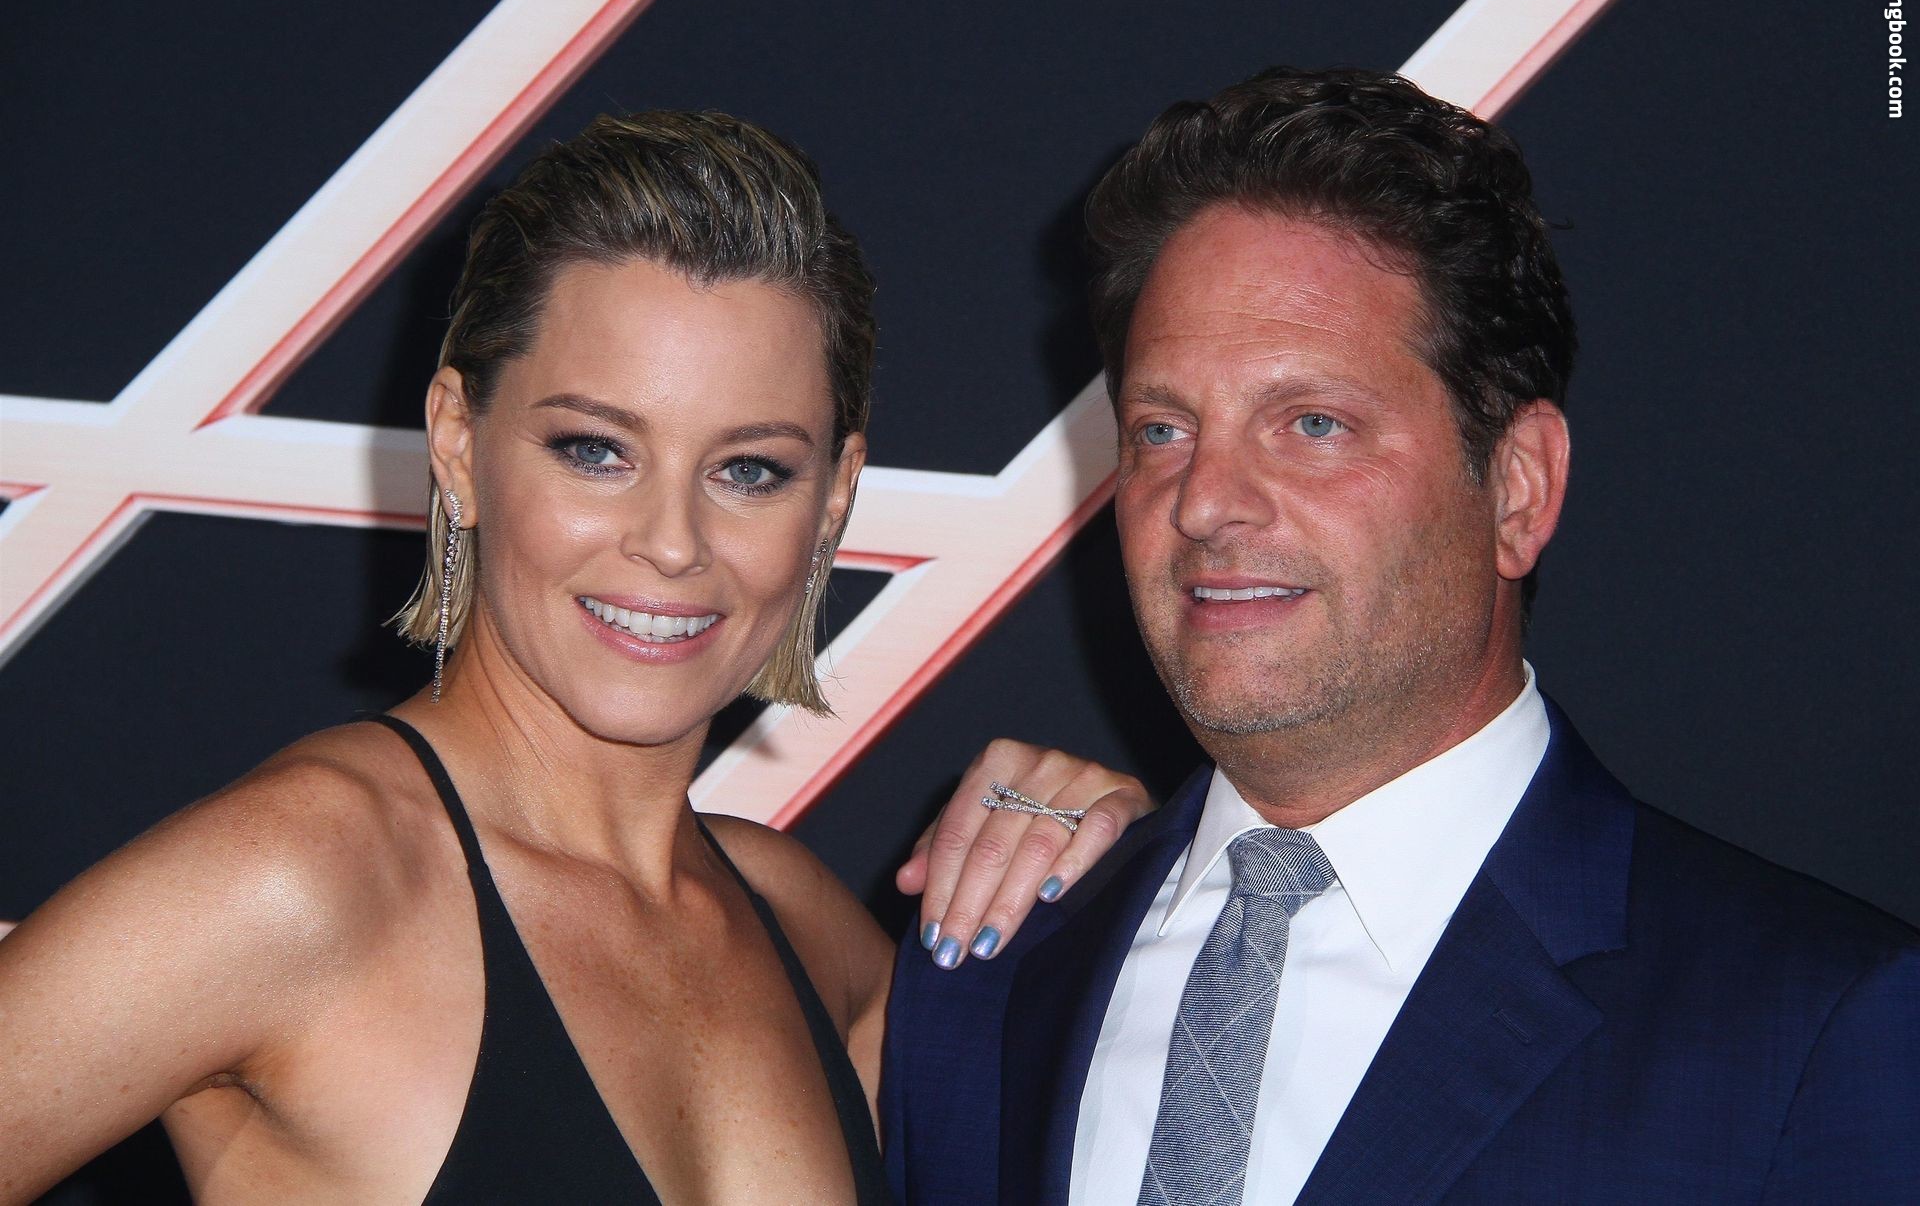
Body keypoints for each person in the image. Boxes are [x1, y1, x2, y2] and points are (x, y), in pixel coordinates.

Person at [0, 110, 1148, 1204]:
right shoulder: (299, 880)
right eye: (596, 451)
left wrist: (1133, 886)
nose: (672, 541)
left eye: (750, 469)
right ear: (459, 444)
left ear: (835, 494)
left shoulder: (800, 928)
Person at [883, 67, 1920, 1203]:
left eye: (1313, 423)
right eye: (1162, 430)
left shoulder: (1815, 1025)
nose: (1205, 501)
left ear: (1518, 487)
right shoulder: (986, 975)